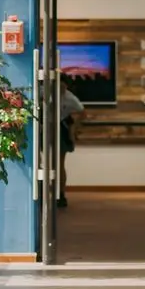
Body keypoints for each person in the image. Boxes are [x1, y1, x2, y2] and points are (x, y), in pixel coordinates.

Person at [57, 80, 84, 208]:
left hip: (61, 127)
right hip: (44, 126)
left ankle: (61, 194)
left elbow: (82, 111)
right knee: (38, 160)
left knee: (59, 163)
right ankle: (41, 191)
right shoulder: (43, 92)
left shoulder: (70, 98)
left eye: (63, 85)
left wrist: (74, 129)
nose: (61, 87)